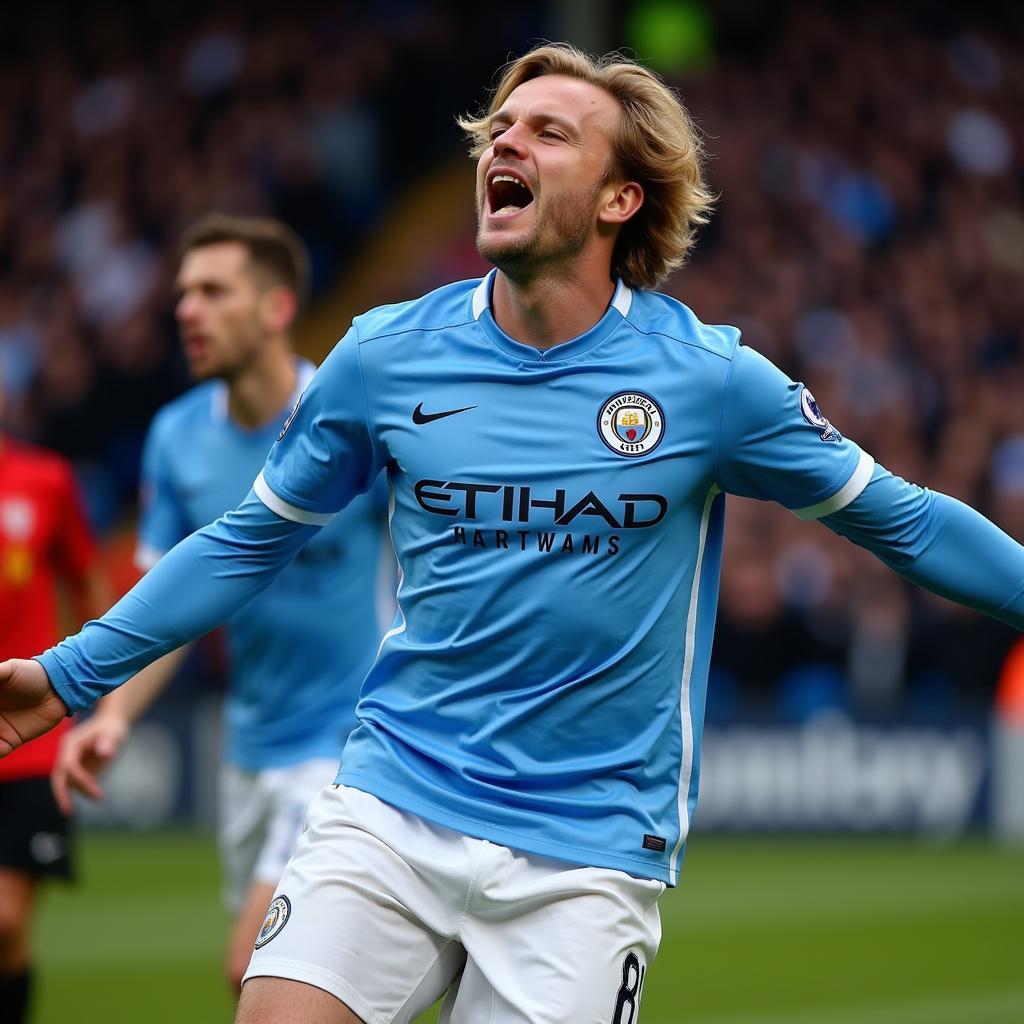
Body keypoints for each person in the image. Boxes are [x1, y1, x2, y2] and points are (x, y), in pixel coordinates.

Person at [3, 42, 1024, 1024]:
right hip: (393, 799)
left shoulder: (709, 382)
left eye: (548, 132)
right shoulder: (383, 357)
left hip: (585, 852)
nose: (504, 144)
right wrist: (66, 675)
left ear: (620, 198)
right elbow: (243, 541)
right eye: (497, 128)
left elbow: (906, 521)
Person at [48, 213, 391, 992]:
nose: (185, 311)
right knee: (296, 988)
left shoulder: (351, 416)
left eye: (212, 292)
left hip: (352, 745)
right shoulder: (174, 439)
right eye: (183, 293)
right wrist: (114, 716)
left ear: (275, 309)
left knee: (258, 966)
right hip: (248, 753)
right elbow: (166, 613)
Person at [0, 368, 110, 1024]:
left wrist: (84, 684)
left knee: (5, 923)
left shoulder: (45, 481)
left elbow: (90, 587)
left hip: (28, 744)